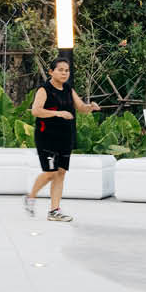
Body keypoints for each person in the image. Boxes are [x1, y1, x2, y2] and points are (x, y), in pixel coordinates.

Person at [26, 56, 98, 222]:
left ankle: (54, 211)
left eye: (67, 70)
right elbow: (36, 111)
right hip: (47, 137)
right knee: (50, 173)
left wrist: (90, 107)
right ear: (51, 72)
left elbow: (81, 108)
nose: (64, 73)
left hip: (65, 137)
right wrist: (58, 113)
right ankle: (30, 197)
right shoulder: (44, 90)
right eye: (60, 70)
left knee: (60, 173)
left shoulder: (68, 89)